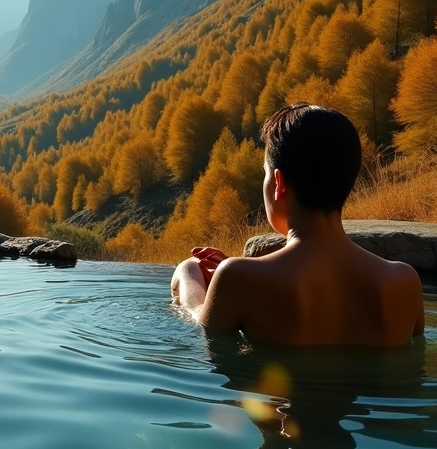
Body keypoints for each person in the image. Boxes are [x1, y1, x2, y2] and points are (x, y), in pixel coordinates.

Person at [171, 103, 424, 346]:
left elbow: (202, 328)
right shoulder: (404, 281)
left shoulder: (237, 277)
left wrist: (189, 275)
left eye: (265, 174)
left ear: (279, 184)